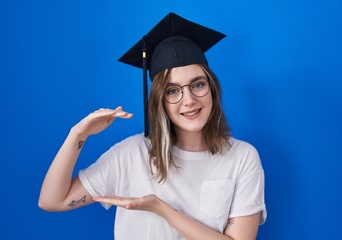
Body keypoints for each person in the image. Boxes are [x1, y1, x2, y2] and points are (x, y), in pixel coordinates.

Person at [39, 12, 266, 240]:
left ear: (212, 90)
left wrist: (161, 208)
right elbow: (52, 201)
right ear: (160, 101)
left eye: (197, 85)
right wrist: (78, 134)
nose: (188, 100)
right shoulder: (131, 153)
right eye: (172, 90)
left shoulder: (242, 158)